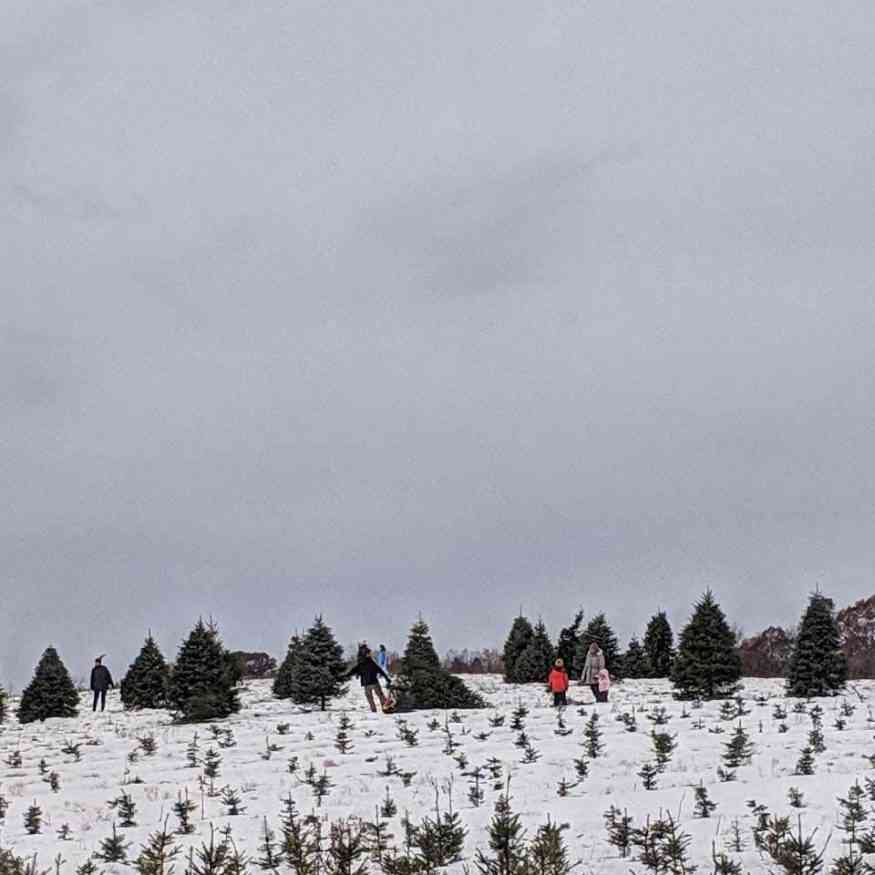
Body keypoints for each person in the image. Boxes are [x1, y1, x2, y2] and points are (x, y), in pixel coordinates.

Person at [345, 644, 392, 713]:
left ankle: (375, 710)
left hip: (367, 683)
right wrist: (386, 678)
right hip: (373, 682)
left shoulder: (362, 663)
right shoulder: (370, 662)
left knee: (371, 697)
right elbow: (380, 670)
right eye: (369, 654)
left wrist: (346, 675)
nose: (370, 654)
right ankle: (384, 708)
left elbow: (353, 670)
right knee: (379, 695)